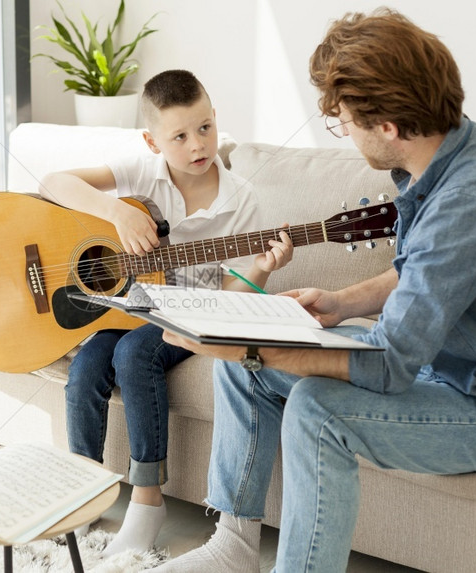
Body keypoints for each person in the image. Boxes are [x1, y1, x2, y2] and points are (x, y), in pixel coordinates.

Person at [147, 9, 476, 573]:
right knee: (241, 368)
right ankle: (233, 548)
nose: (344, 131)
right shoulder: (448, 159)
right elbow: (429, 272)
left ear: (389, 126)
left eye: (344, 119)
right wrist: (342, 302)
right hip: (439, 367)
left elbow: (391, 364)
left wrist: (251, 345)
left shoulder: (473, 195)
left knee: (316, 409)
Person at [38, 69, 293, 556]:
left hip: (194, 310)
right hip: (128, 304)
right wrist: (116, 212)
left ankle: (148, 501)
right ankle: (80, 493)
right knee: (88, 366)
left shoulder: (242, 200)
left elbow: (231, 294)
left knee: (135, 354)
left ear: (216, 118)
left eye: (204, 128)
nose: (198, 145)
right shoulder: (139, 172)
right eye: (179, 136)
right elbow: (53, 182)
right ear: (152, 141)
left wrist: (260, 270)